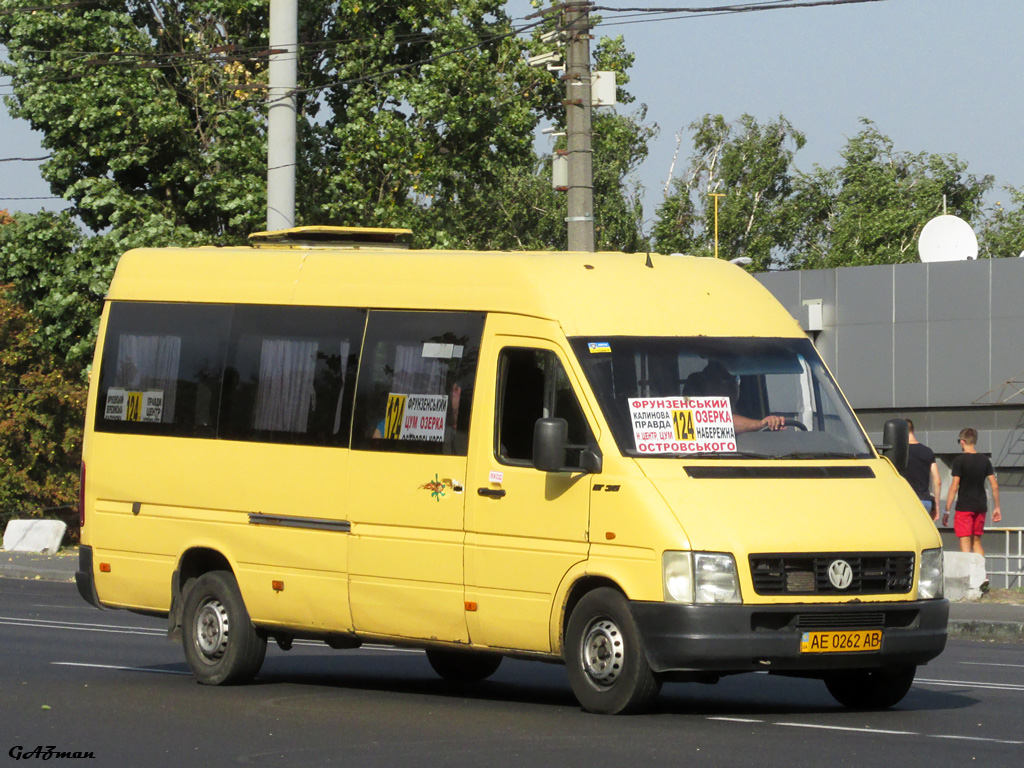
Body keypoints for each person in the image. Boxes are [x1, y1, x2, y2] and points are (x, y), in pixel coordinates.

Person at [944, 427, 1001, 591]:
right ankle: (982, 576)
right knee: (977, 541)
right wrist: (997, 507)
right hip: (980, 506)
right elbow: (994, 485)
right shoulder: (985, 461)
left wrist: (947, 510)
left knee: (964, 540)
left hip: (964, 506)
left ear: (963, 441)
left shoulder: (959, 461)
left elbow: (954, 486)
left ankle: (969, 578)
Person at [691, 360, 786, 433]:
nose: (732, 385)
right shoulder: (695, 416)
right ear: (706, 386)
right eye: (724, 380)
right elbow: (721, 420)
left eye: (735, 379)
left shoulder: (749, 411)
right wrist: (760, 424)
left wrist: (775, 422)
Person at [899, 419, 941, 521]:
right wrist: (937, 506)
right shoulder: (927, 451)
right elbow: (937, 481)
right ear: (913, 431)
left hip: (905, 501)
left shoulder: (899, 453)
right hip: (925, 502)